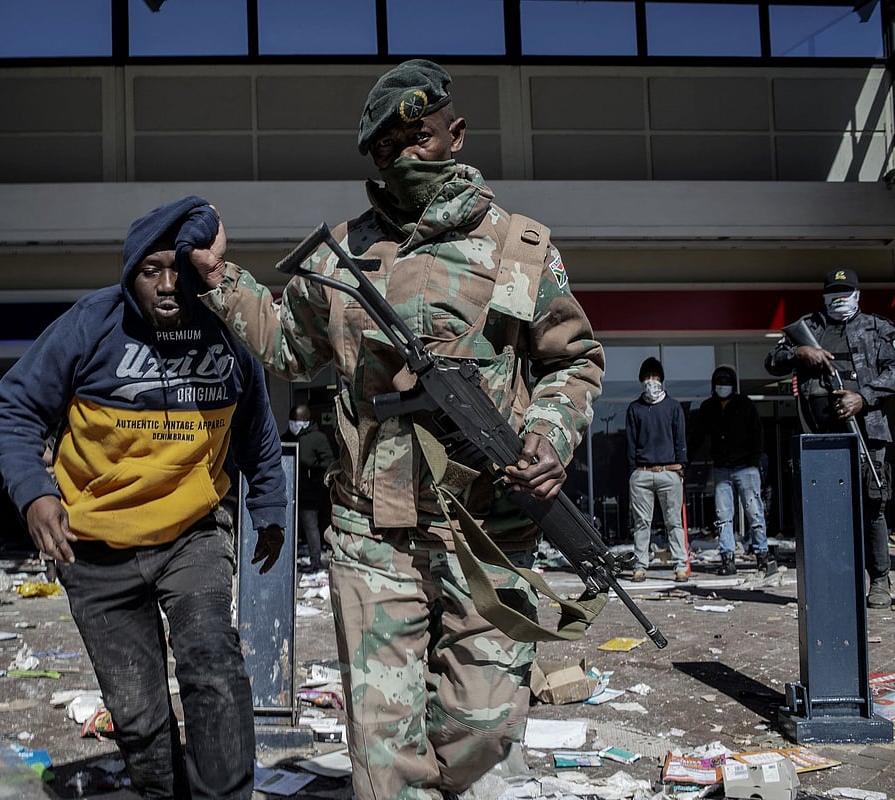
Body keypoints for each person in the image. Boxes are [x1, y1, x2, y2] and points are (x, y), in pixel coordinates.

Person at [188, 60, 604, 800]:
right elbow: (290, 345)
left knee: (484, 727)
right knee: (382, 751)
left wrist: (549, 435)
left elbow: (570, 362)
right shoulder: (338, 258)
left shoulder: (522, 248)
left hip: (491, 528)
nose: (404, 154)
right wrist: (224, 280)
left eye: (418, 135)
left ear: (456, 133)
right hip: (371, 534)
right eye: (385, 146)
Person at [0, 197, 287, 800]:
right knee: (137, 708)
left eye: (179, 268)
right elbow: (16, 408)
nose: (168, 284)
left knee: (214, 666)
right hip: (95, 546)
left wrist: (272, 510)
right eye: (152, 270)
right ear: (130, 273)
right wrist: (34, 495)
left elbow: (257, 431)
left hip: (193, 531)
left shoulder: (226, 331)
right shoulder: (90, 324)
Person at [766, 268, 895, 609]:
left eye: (846, 290)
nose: (840, 297)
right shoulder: (810, 327)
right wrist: (799, 352)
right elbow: (772, 361)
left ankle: (880, 579)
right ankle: (835, 583)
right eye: (833, 291)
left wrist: (863, 397)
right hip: (820, 437)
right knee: (825, 511)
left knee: (872, 506)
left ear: (857, 293)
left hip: (866, 433)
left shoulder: (878, 328)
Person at [687, 366, 774, 577]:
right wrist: (686, 459)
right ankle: (728, 558)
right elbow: (698, 435)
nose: (722, 386)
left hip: (746, 467)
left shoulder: (744, 405)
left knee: (754, 512)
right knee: (724, 516)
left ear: (733, 385)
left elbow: (757, 432)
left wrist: (754, 459)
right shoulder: (709, 407)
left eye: (726, 382)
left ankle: (762, 554)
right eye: (719, 382)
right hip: (722, 469)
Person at [625, 357, 690, 582]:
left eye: (655, 377)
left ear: (662, 380)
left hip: (668, 471)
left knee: (674, 522)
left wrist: (680, 468)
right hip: (642, 473)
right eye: (647, 378)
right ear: (641, 380)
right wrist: (634, 469)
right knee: (642, 523)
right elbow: (630, 442)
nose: (651, 382)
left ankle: (681, 565)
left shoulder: (673, 407)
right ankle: (640, 566)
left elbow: (680, 439)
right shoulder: (635, 409)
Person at [281, 404, 334, 572]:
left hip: (310, 492)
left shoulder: (318, 438)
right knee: (287, 526)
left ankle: (315, 560)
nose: (293, 424)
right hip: (289, 491)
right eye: (291, 420)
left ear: (305, 420)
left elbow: (329, 462)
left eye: (295, 420)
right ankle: (286, 561)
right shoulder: (286, 437)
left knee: (311, 526)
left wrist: (312, 471)